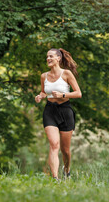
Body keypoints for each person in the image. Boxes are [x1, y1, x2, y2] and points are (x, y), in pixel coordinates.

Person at [35, 48, 82, 180]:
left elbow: (78, 93)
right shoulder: (44, 76)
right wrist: (40, 96)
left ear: (58, 58)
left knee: (65, 150)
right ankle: (55, 178)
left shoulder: (66, 74)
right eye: (47, 57)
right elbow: (44, 92)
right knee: (54, 144)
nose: (48, 59)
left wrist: (63, 94)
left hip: (65, 111)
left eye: (51, 56)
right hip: (50, 111)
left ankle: (66, 171)